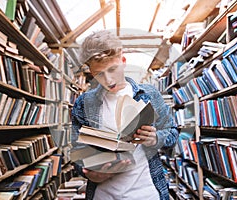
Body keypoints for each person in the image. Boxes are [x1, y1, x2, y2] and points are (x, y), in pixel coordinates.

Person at [71, 30, 179, 200]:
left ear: (123, 60)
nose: (108, 80)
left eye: (112, 69)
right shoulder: (84, 103)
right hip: (104, 194)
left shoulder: (150, 94)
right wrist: (88, 173)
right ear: (91, 72)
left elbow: (173, 132)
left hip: (147, 193)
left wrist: (155, 139)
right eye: (99, 74)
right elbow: (76, 151)